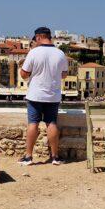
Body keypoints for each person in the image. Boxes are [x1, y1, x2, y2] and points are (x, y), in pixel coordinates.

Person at [19, 26, 69, 165]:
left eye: (35, 39)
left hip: (35, 95)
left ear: (39, 37)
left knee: (33, 124)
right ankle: (55, 157)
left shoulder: (33, 53)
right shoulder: (60, 53)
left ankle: (28, 157)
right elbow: (64, 75)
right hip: (53, 96)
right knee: (51, 123)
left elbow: (23, 75)